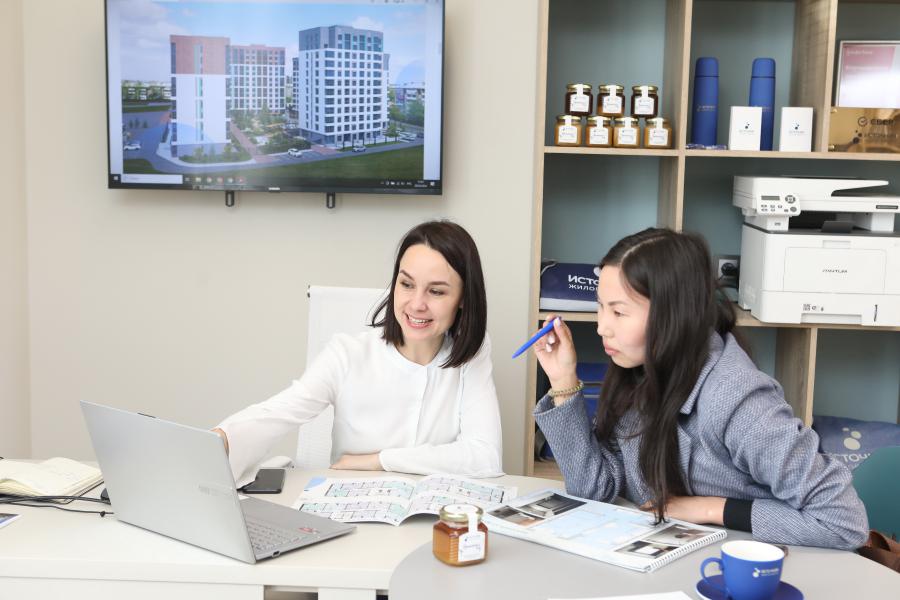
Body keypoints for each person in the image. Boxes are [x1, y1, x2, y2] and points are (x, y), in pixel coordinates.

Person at [531, 228, 868, 550]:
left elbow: (843, 521)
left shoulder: (738, 400)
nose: (602, 327)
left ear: (672, 316)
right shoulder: (640, 370)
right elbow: (596, 488)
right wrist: (563, 380)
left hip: (760, 565)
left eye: (619, 312)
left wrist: (709, 508)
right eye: (600, 306)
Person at [215, 220, 502, 488]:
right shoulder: (347, 354)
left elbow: (485, 457)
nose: (417, 304)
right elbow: (278, 413)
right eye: (406, 284)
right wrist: (221, 440)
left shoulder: (472, 354)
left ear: (463, 298)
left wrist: (379, 460)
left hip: (434, 514)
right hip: (350, 509)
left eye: (436, 292)